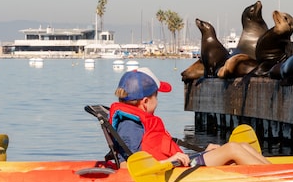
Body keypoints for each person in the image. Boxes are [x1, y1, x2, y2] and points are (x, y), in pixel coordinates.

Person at [109, 67, 270, 167]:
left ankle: (276, 173)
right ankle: (275, 181)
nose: (157, 101)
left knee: (240, 145)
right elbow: (127, 166)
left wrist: (200, 153)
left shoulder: (138, 121)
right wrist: (168, 161)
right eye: (156, 96)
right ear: (145, 102)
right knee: (232, 149)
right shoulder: (129, 126)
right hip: (173, 173)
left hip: (180, 166)